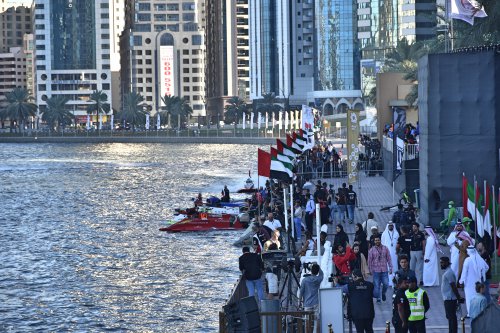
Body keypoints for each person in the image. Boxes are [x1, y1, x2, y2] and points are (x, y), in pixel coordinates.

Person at [459, 245, 489, 315]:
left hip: (469, 283)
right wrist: (481, 274)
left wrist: (461, 281)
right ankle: (477, 312)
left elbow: (464, 272)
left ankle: (470, 312)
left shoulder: (467, 260)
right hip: (477, 282)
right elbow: (486, 267)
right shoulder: (479, 259)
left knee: (469, 297)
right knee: (477, 297)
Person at [440, 256, 464, 333]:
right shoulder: (447, 272)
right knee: (450, 317)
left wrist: (459, 297)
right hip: (447, 298)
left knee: (451, 317)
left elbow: (453, 286)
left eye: (442, 263)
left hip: (450, 298)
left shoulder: (449, 273)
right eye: (440, 262)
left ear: (447, 263)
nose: (441, 264)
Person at [368, 235, 393, 303]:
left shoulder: (385, 248)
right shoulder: (371, 250)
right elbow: (369, 261)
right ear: (374, 241)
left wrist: (391, 267)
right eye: (375, 240)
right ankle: (378, 298)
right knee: (377, 286)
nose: (377, 241)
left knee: (386, 284)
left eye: (378, 240)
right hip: (376, 271)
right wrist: (369, 270)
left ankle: (383, 293)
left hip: (384, 270)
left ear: (380, 240)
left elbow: (389, 258)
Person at [300, 263, 323, 332]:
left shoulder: (305, 280)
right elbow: (322, 274)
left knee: (308, 320)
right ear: (317, 271)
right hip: (316, 302)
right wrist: (317, 266)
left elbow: (301, 292)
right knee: (318, 319)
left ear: (311, 271)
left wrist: (299, 302)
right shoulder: (318, 279)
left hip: (307, 303)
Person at [382, 221, 400, 286]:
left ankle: (395, 281)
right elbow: (382, 244)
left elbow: (398, 243)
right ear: (387, 226)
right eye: (389, 225)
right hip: (386, 254)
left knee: (394, 266)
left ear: (393, 226)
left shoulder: (396, 233)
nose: (390, 226)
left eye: (392, 225)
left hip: (395, 254)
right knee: (387, 267)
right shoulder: (384, 233)